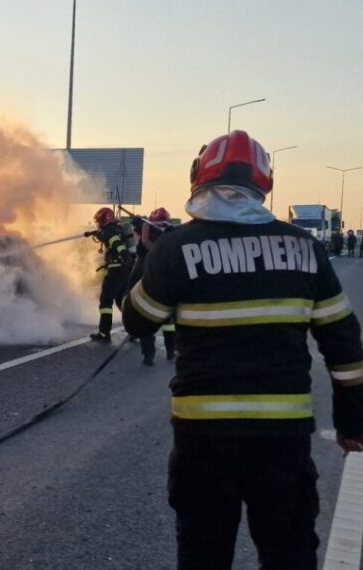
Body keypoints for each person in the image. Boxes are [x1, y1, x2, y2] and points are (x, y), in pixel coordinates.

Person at [123, 130, 363, 569]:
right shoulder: (305, 247)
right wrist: (352, 421)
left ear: (199, 177)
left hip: (203, 438)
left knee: (203, 551)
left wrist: (146, 251)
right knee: (288, 551)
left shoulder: (177, 247)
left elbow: (138, 320)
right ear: (263, 182)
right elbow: (344, 342)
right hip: (282, 437)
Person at [128, 207, 176, 365]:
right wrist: (138, 223)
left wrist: (146, 231)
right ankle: (167, 352)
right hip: (158, 277)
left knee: (146, 315)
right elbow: (135, 232)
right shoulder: (167, 234)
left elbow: (148, 245)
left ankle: (152, 354)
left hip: (148, 275)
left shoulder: (163, 237)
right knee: (166, 317)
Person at [85, 207, 132, 342]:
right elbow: (107, 236)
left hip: (115, 272)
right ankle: (135, 329)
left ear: (103, 219)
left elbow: (116, 243)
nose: (98, 224)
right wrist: (94, 233)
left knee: (106, 301)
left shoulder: (110, 231)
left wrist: (124, 254)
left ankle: (104, 333)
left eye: (98, 221)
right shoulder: (115, 229)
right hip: (124, 272)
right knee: (121, 302)